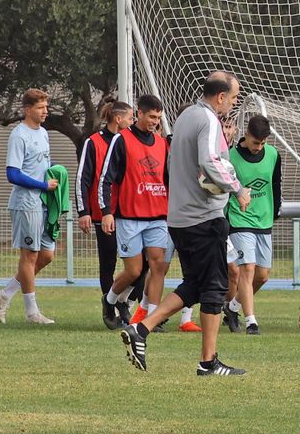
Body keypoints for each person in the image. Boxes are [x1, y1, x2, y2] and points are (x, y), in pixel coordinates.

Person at [120, 73, 249, 376]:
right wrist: (237, 188)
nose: (233, 104)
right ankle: (208, 362)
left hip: (179, 218)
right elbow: (210, 162)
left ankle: (141, 329)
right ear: (220, 97)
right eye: (233, 98)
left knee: (195, 284)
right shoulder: (208, 121)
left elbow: (181, 167)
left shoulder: (186, 116)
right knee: (215, 288)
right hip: (203, 218)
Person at [99, 95, 176, 330]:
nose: (155, 121)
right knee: (133, 271)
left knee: (158, 266)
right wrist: (106, 211)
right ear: (139, 114)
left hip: (158, 216)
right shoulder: (121, 140)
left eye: (158, 117)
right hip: (129, 217)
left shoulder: (162, 143)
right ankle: (110, 300)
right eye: (151, 116)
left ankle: (151, 319)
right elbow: (106, 179)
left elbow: (167, 180)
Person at [0, 88, 58, 325]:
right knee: (29, 256)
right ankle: (32, 312)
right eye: (40, 108)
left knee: (46, 255)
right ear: (27, 110)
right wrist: (42, 184)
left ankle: (5, 294)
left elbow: (43, 165)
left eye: (46, 107)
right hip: (26, 203)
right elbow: (13, 174)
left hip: (43, 203)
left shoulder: (44, 133)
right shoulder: (19, 135)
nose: (45, 111)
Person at [78, 99, 135, 329]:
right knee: (108, 261)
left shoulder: (130, 142)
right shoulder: (93, 142)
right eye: (130, 118)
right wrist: (83, 211)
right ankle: (111, 310)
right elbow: (83, 178)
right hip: (104, 213)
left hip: (129, 212)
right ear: (118, 119)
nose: (132, 121)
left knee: (142, 264)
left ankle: (124, 300)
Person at [224, 113, 280, 337]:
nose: (259, 147)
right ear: (246, 134)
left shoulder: (273, 154)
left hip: (263, 220)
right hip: (240, 219)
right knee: (247, 269)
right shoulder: (230, 157)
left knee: (262, 275)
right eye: (256, 142)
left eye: (263, 143)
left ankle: (232, 307)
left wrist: (274, 212)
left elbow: (276, 184)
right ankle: (251, 322)